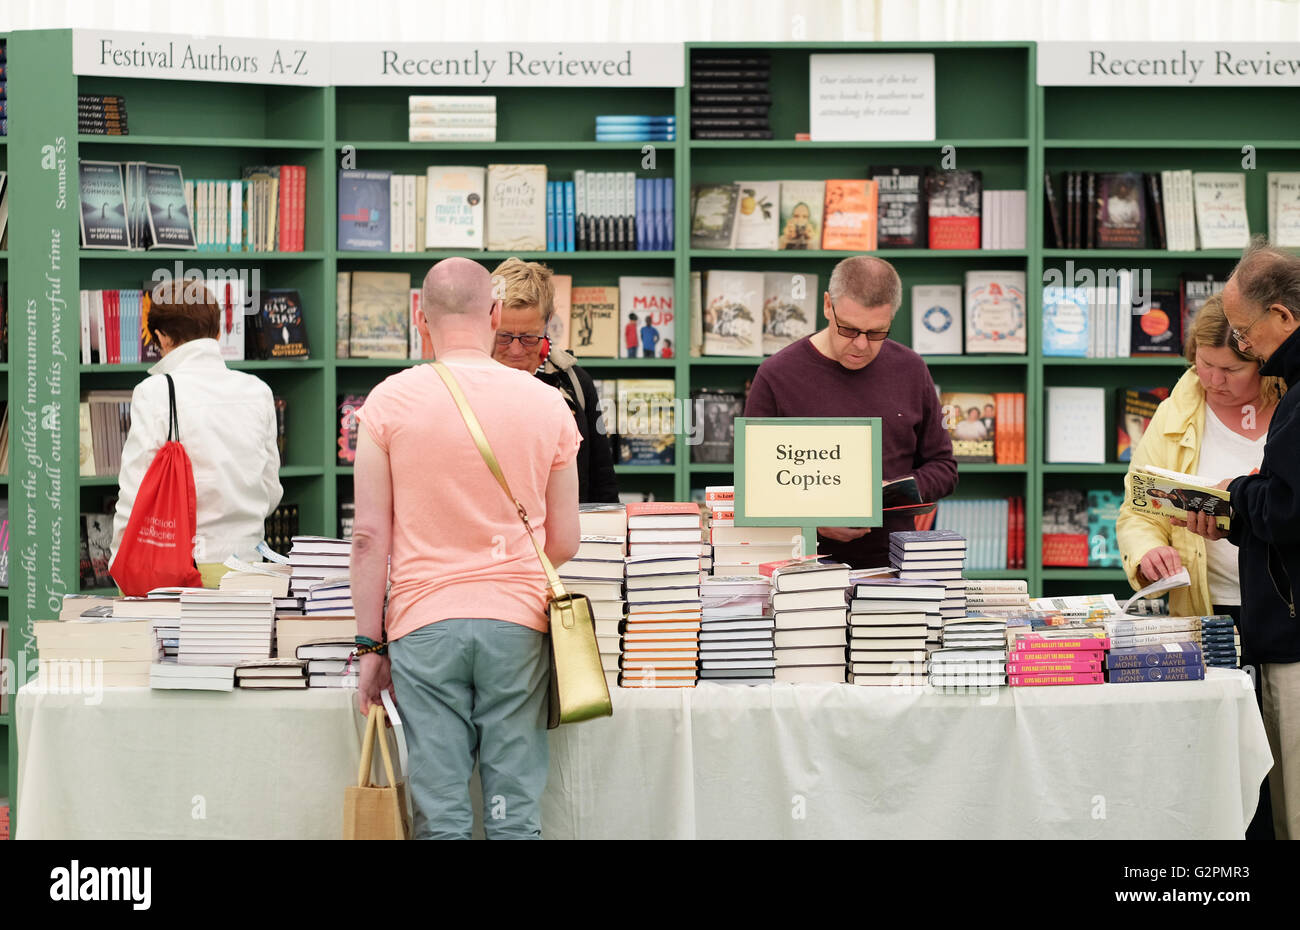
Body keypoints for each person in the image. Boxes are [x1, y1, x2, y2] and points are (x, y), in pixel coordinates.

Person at [351, 257, 581, 840]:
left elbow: (369, 537)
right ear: (496, 313)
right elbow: (566, 539)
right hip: (517, 624)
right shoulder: (546, 403)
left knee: (442, 811)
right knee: (514, 811)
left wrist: (369, 644)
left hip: (422, 624)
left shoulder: (387, 402)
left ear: (418, 317)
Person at [1182, 241, 1300, 841]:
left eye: (1245, 335)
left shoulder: (1295, 393)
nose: (1241, 344)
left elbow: (1290, 508)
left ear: (1282, 316)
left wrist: (1238, 496)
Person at [744, 255, 958, 568]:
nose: (860, 345)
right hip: (800, 571)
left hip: (895, 569)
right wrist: (811, 521)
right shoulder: (776, 375)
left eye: (876, 333)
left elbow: (944, 468)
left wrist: (896, 489)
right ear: (828, 306)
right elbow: (754, 485)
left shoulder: (911, 369)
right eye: (849, 329)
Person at [110, 280, 282, 586]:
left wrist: (119, 560)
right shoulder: (259, 391)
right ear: (218, 333)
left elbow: (135, 493)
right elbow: (270, 492)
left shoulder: (155, 392)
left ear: (162, 337)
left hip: (183, 569)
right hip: (251, 571)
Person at [490, 257, 619, 503]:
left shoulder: (575, 382)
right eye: (504, 337)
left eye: (529, 337)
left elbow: (602, 476)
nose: (516, 350)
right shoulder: (470, 379)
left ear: (548, 321)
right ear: (489, 320)